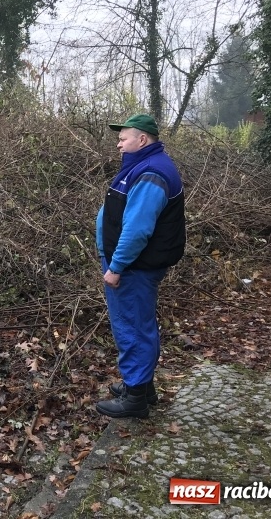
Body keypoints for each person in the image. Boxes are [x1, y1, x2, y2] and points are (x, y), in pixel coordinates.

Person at [95, 113, 185, 419]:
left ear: (142, 140)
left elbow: (137, 229)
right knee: (138, 324)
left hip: (134, 267)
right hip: (133, 264)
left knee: (131, 327)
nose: (118, 145)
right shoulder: (142, 166)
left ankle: (135, 400)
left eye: (123, 139)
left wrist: (116, 266)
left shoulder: (151, 173)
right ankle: (142, 387)